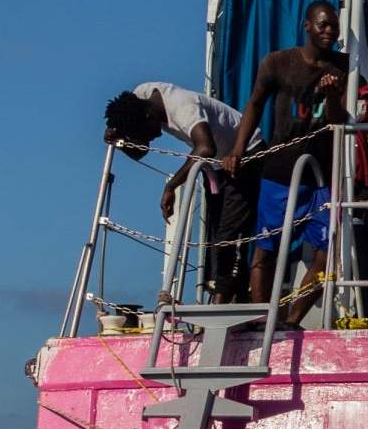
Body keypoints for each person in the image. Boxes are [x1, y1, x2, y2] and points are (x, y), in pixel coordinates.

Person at [223, 0, 350, 314]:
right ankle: (260, 318)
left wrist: (333, 94)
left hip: (322, 175)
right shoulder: (277, 63)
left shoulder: (345, 67)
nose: (329, 31)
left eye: (333, 26)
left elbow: (339, 121)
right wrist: (238, 149)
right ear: (307, 26)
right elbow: (254, 104)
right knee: (265, 250)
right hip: (280, 171)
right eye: (323, 24)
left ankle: (293, 319)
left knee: (327, 251)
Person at [104, 83, 258, 303]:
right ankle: (232, 299)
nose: (152, 139)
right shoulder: (140, 99)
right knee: (217, 238)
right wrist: (118, 139)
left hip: (245, 157)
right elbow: (141, 152)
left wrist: (171, 185)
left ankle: (221, 304)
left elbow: (205, 147)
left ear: (149, 115)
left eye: (146, 133)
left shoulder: (182, 106)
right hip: (216, 168)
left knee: (228, 236)